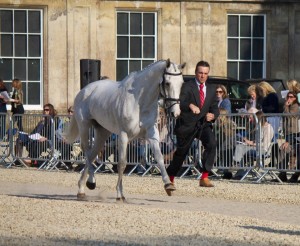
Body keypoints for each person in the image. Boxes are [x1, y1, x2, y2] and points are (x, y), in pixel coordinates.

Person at [167, 60, 219, 188]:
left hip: (203, 125)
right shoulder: (186, 86)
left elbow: (214, 108)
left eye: (205, 73)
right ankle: (170, 178)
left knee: (212, 144)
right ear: (196, 72)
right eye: (200, 72)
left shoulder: (212, 89)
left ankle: (204, 177)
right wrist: (190, 105)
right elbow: (182, 102)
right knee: (181, 153)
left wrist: (213, 115)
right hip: (187, 124)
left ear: (208, 74)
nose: (202, 76)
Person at [233, 110, 274, 180]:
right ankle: (239, 169)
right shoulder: (260, 127)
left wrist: (251, 143)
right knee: (240, 146)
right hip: (256, 147)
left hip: (263, 150)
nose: (253, 121)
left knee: (241, 148)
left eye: (254, 119)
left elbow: (265, 144)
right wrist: (249, 142)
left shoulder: (268, 128)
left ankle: (238, 165)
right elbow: (258, 141)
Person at [273, 92, 300, 182]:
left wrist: (286, 106)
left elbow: (289, 116)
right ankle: (282, 173)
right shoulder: (287, 107)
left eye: (291, 97)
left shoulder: (296, 107)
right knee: (282, 148)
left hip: (295, 137)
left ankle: (296, 174)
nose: (288, 98)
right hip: (289, 136)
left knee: (292, 149)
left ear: (295, 98)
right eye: (287, 96)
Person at [215, 108, 237, 179]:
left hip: (229, 145)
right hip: (219, 144)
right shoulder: (216, 124)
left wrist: (222, 126)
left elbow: (231, 133)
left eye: (218, 115)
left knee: (227, 150)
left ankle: (227, 172)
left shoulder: (230, 123)